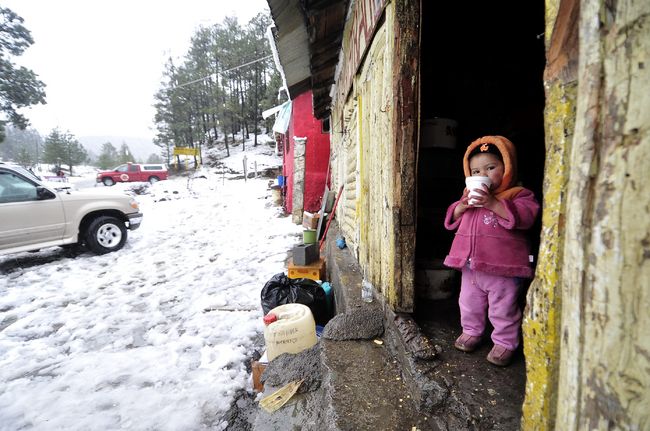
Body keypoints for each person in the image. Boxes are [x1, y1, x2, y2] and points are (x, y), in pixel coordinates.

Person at [443, 135, 540, 366]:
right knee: (468, 303)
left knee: (503, 308)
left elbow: (527, 217)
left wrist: (493, 204)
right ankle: (471, 331)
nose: (482, 175)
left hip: (503, 269)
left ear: (507, 167)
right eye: (475, 171)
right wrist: (461, 206)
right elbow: (452, 217)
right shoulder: (468, 197)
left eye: (491, 167)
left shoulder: (519, 195)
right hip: (471, 266)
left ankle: (505, 342)